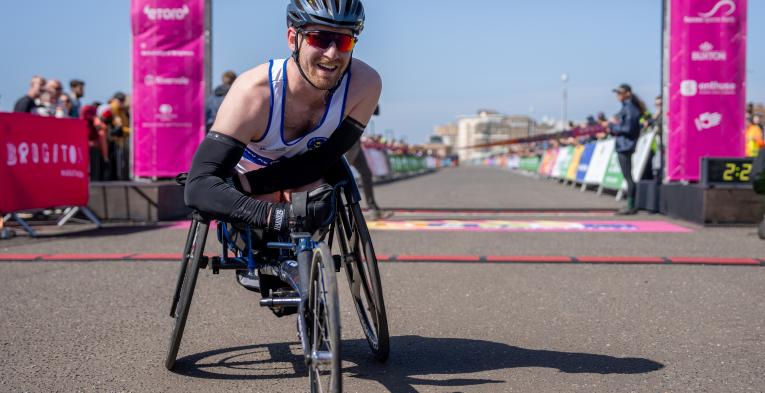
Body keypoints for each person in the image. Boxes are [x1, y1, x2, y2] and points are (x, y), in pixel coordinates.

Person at [184, 0, 380, 292]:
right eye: (319, 38)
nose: (332, 53)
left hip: (303, 175)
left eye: (343, 40)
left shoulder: (365, 85)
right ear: (293, 38)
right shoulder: (254, 92)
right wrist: (271, 210)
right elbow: (198, 185)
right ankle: (264, 252)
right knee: (267, 198)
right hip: (249, 184)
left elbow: (325, 159)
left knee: (317, 187)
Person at [609, 83, 645, 215]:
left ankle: (631, 205)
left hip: (626, 145)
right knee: (627, 176)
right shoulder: (627, 108)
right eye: (617, 93)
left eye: (620, 93)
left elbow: (628, 128)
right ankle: (630, 204)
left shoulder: (630, 108)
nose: (617, 95)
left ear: (628, 93)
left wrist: (613, 127)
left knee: (628, 177)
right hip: (624, 144)